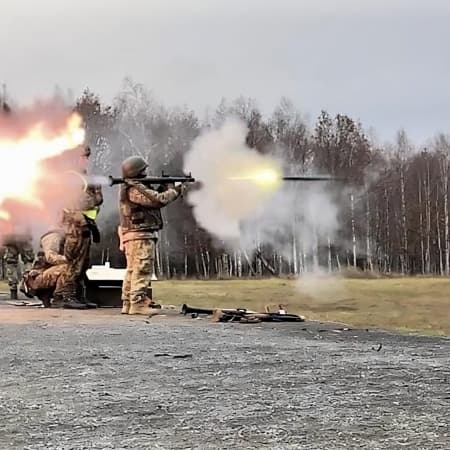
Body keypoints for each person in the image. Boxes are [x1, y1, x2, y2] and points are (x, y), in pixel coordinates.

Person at [118, 156, 185, 315]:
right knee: (142, 268)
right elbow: (157, 200)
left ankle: (129, 302)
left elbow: (153, 198)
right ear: (137, 172)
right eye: (144, 170)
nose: (146, 172)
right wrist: (176, 190)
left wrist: (163, 187)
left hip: (135, 235)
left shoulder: (133, 187)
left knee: (133, 269)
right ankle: (138, 303)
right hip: (139, 235)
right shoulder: (134, 187)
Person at [60, 145, 103, 309]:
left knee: (83, 263)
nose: (85, 160)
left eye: (86, 157)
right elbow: (74, 203)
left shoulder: (86, 178)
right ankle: (68, 296)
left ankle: (79, 296)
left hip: (86, 226)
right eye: (82, 157)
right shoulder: (70, 178)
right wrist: (95, 198)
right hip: (75, 228)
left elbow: (95, 201)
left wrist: (97, 194)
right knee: (73, 263)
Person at [2, 228, 35, 300]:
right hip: (23, 237)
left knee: (11, 262)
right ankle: (27, 285)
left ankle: (13, 289)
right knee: (28, 261)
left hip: (10, 237)